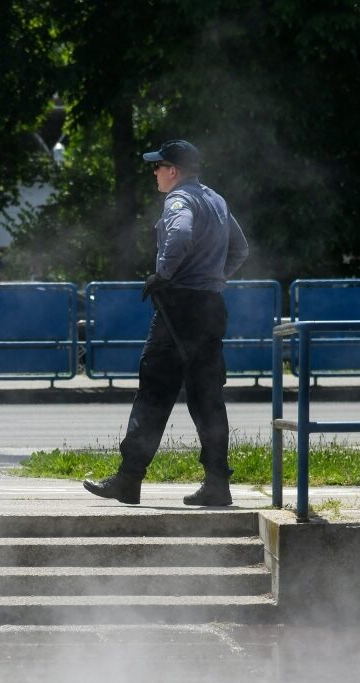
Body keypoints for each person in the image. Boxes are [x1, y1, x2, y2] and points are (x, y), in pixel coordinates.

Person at [84, 139, 249, 507]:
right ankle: (217, 484)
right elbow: (240, 248)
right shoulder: (216, 200)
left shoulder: (179, 200)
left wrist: (164, 274)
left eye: (158, 166)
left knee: (154, 393)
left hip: (178, 309)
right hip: (210, 307)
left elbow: (180, 234)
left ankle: (129, 480)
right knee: (208, 397)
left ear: (173, 170)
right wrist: (213, 278)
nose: (155, 172)